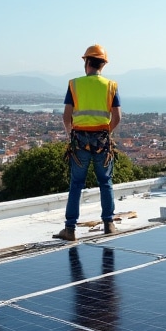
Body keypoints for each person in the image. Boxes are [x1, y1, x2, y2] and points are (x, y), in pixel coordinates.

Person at [54, 44, 122, 241]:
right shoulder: (111, 86)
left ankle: (70, 229)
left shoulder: (74, 84)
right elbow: (117, 117)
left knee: (76, 183)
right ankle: (108, 224)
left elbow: (66, 116)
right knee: (105, 182)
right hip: (102, 140)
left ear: (87, 62)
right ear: (103, 64)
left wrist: (72, 134)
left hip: (79, 140)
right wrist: (105, 133)